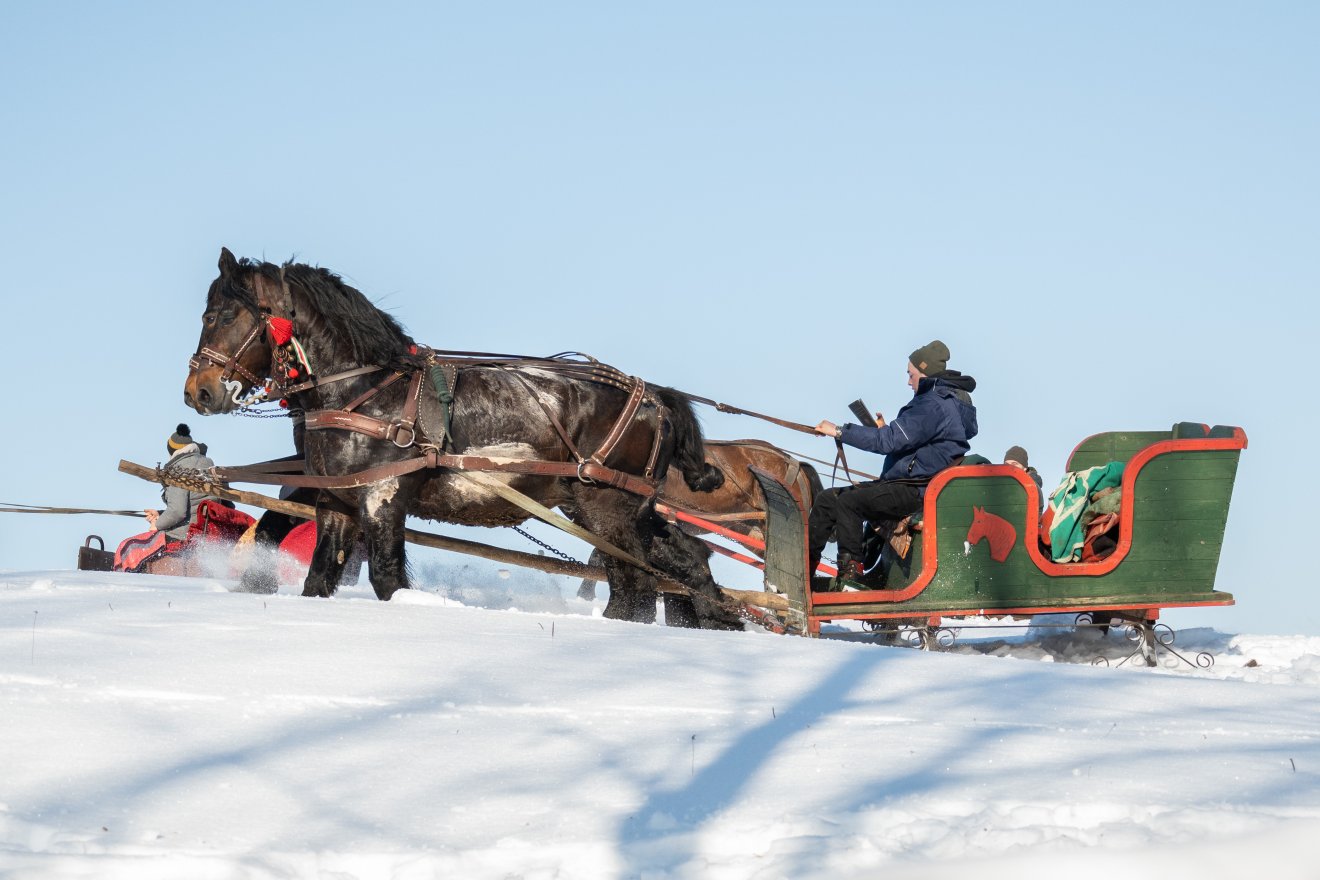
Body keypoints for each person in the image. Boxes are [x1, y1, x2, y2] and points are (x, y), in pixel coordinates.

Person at [808, 340, 978, 584]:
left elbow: (889, 442)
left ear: (925, 372)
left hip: (914, 490)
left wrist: (839, 431)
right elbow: (908, 440)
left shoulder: (932, 404)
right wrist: (887, 431)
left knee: (849, 503)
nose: (909, 381)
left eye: (911, 375)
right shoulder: (936, 402)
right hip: (905, 483)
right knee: (827, 500)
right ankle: (804, 572)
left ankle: (850, 577)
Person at [114, 424, 226, 571]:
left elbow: (178, 511)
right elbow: (192, 504)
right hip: (206, 529)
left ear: (172, 450)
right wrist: (160, 514)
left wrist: (158, 524)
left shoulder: (178, 469)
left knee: (127, 546)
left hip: (185, 533)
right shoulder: (208, 464)